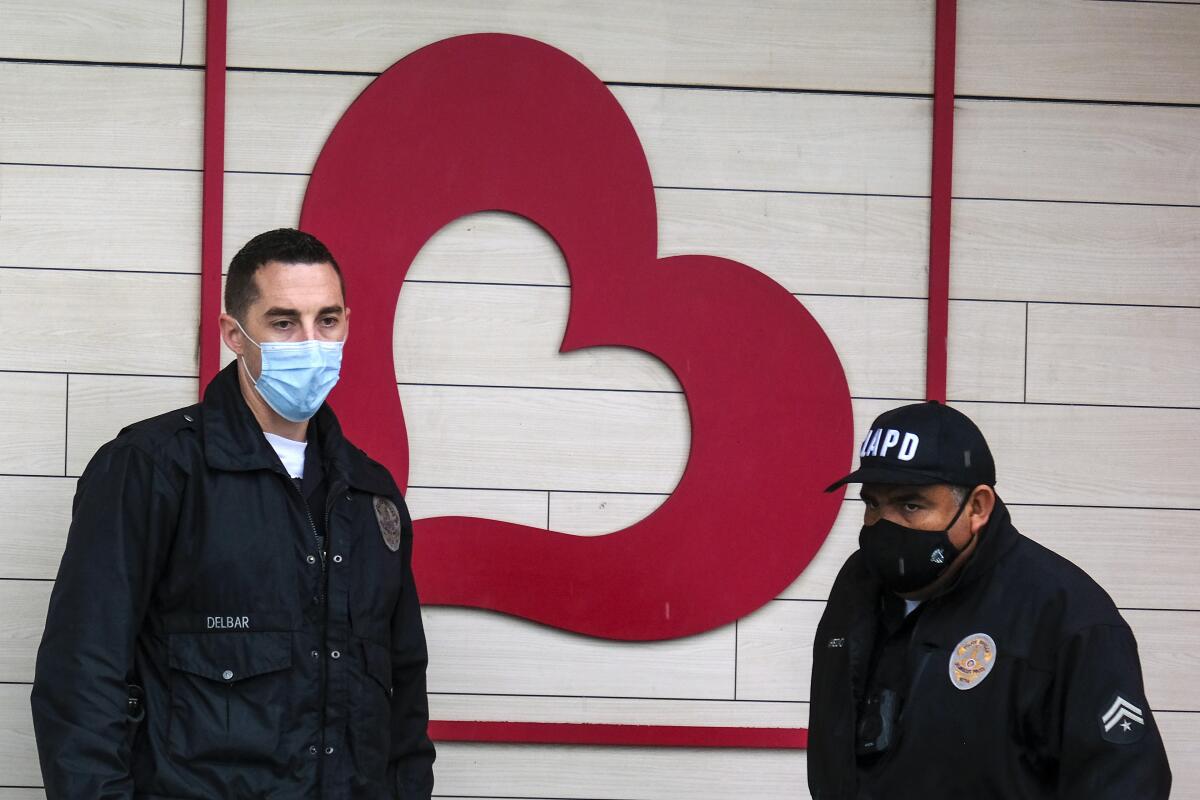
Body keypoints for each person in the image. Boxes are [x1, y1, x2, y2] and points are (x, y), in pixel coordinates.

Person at [31, 228, 435, 798]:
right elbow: (79, 681)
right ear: (234, 335)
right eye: (283, 322)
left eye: (327, 320)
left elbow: (404, 701)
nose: (311, 343)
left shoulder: (370, 494)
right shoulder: (152, 470)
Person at [808, 401, 1170, 798]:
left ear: (977, 507)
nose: (884, 525)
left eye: (911, 505)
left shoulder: (1065, 614)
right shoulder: (858, 585)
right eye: (873, 504)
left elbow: (1124, 783)